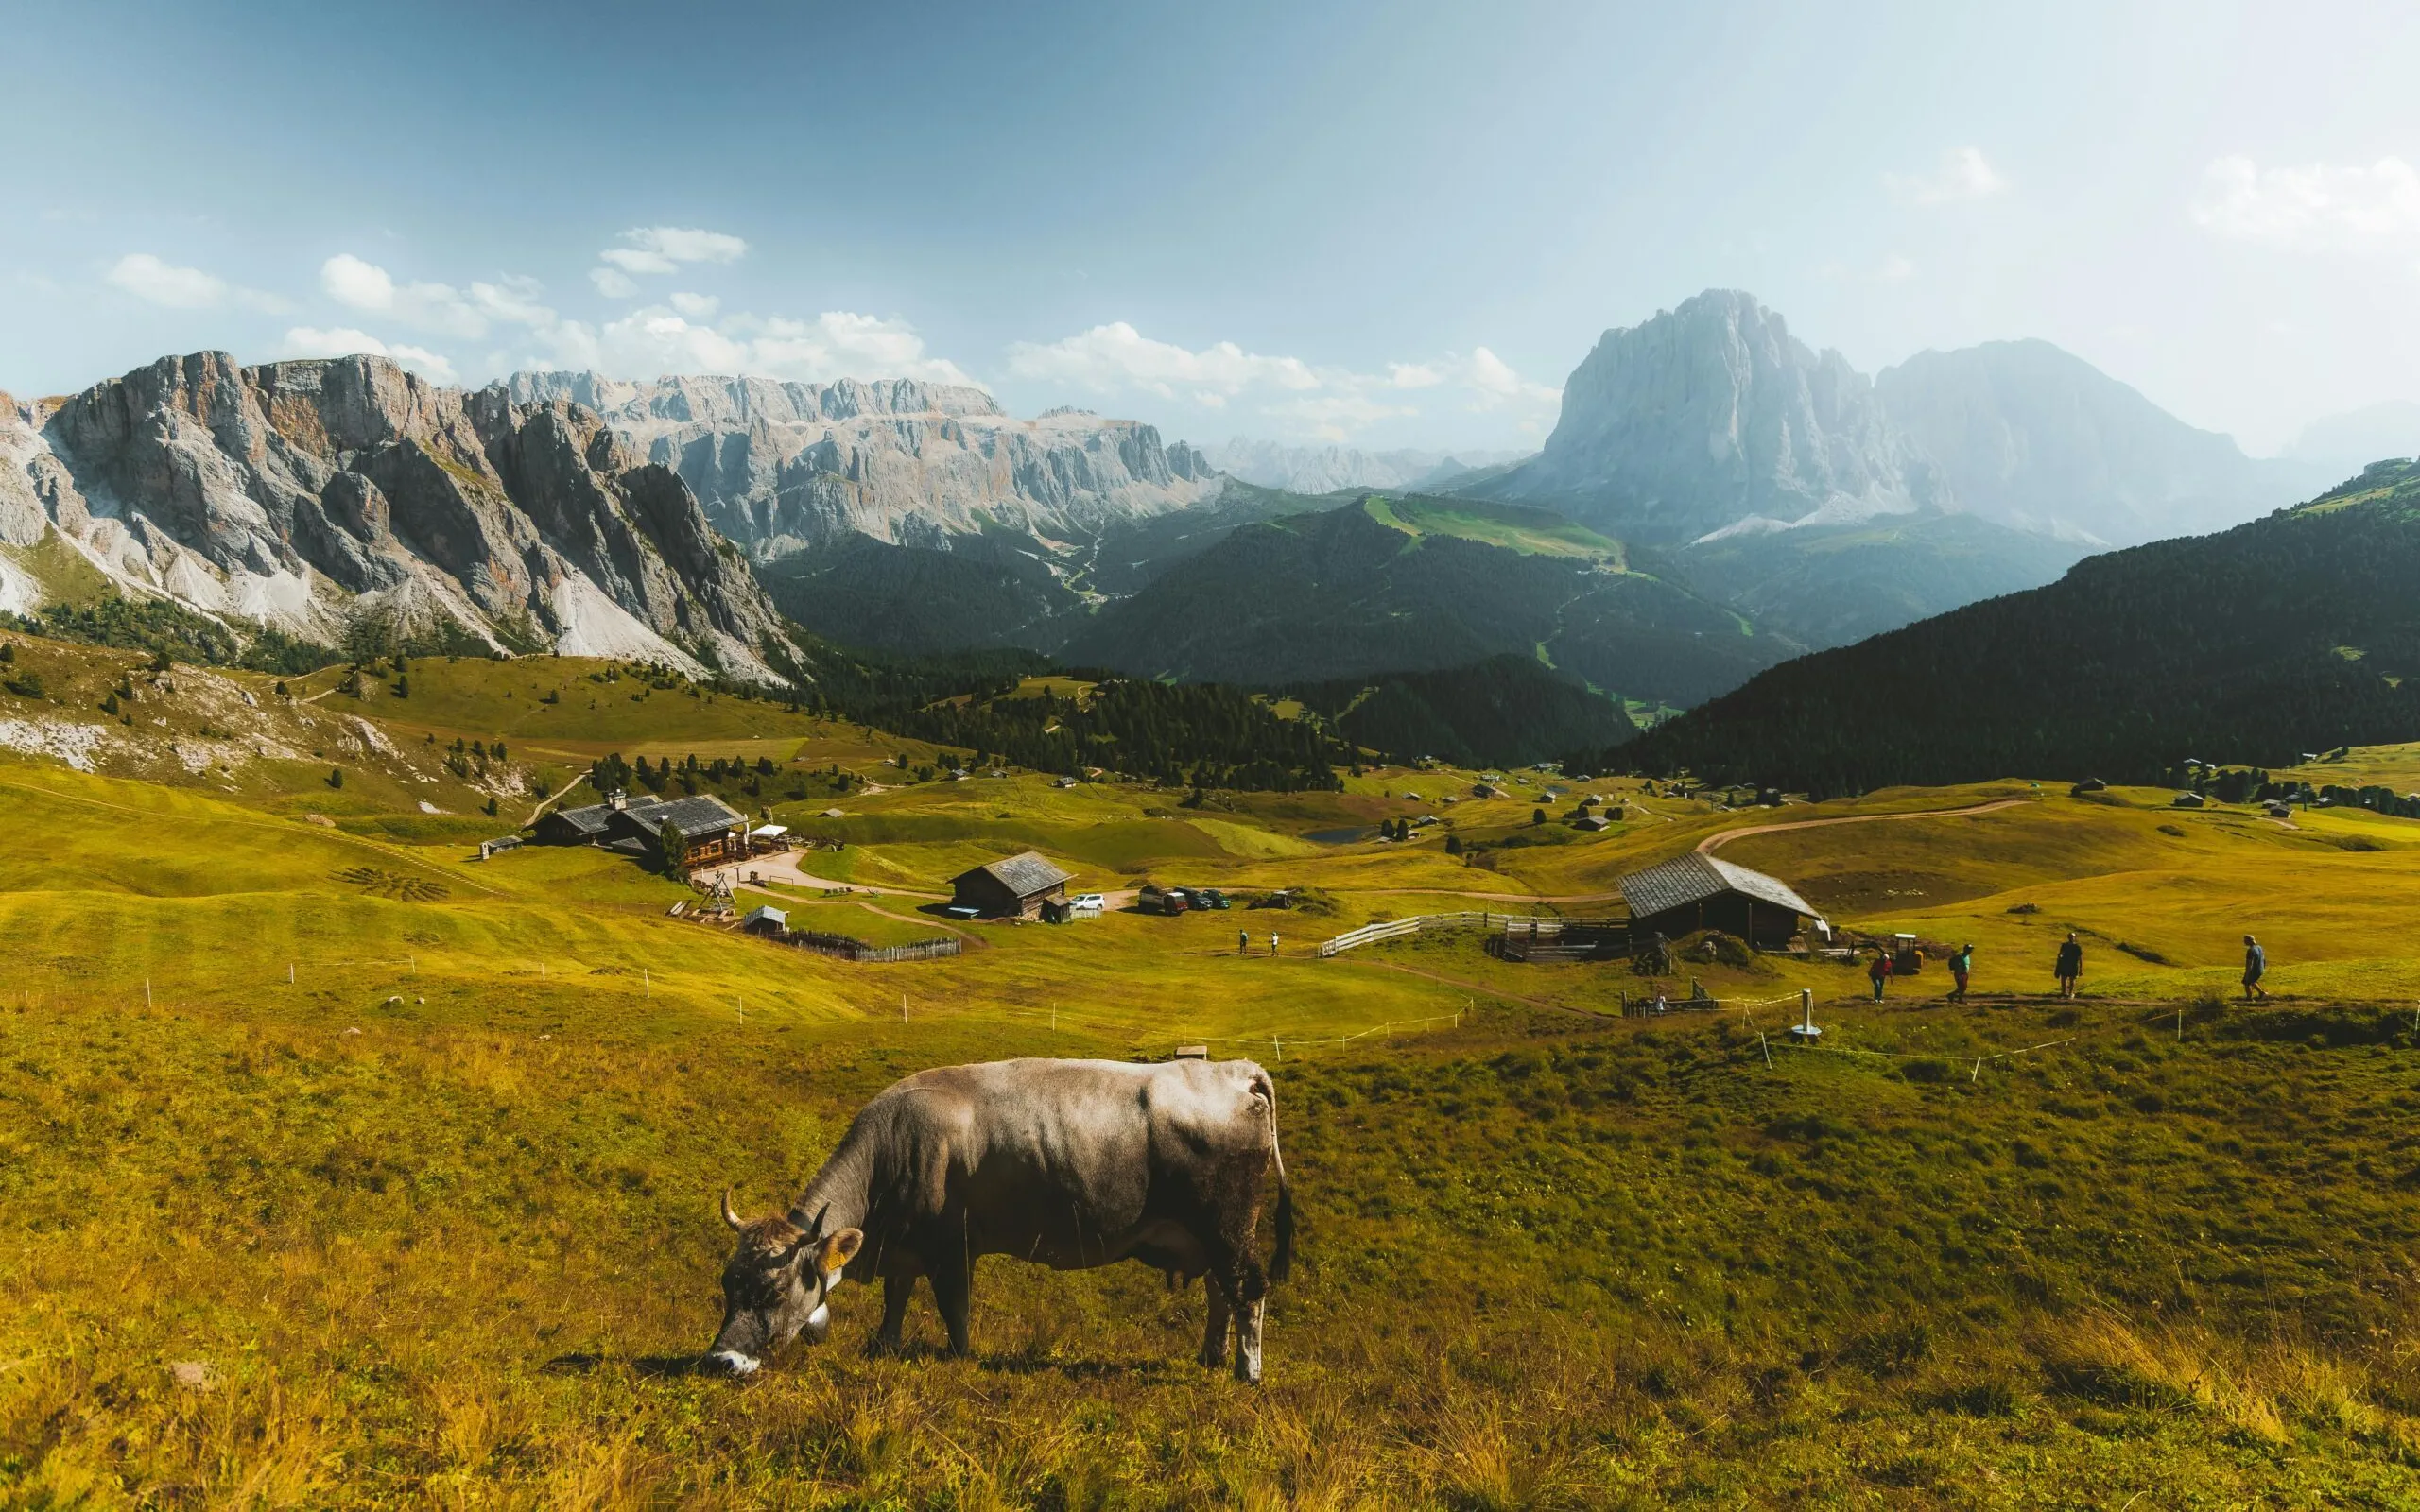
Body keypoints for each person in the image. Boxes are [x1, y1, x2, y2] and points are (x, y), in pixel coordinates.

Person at [2055, 932, 2083, 1000]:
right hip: (2065, 964)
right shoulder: (2064, 945)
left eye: (2073, 937)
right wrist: (2060, 956)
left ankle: (2071, 993)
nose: (2071, 938)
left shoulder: (2077, 947)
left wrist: (2081, 968)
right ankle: (2064, 993)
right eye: (2070, 937)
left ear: (2074, 938)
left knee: (2072, 979)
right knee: (2063, 978)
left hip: (2073, 965)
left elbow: (2080, 958)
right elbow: (2061, 953)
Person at [2242, 934, 2269, 1001]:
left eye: (2245, 940)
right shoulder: (2259, 947)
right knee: (2252, 981)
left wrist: (2247, 974)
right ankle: (2262, 993)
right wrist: (2263, 968)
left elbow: (2249, 964)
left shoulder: (2250, 950)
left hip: (2254, 970)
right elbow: (2264, 959)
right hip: (2261, 969)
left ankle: (2249, 999)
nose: (2244, 942)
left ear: (2250, 941)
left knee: (2246, 982)